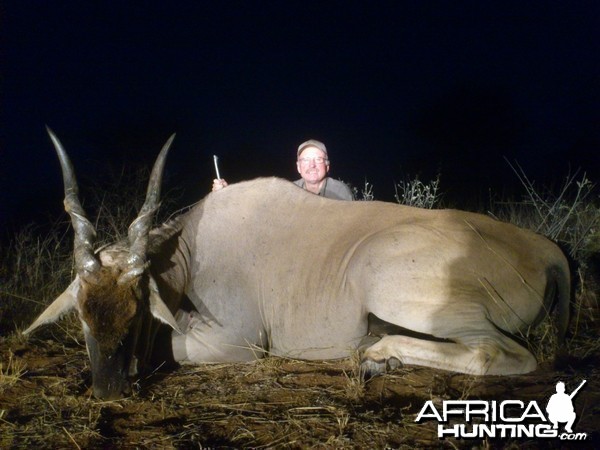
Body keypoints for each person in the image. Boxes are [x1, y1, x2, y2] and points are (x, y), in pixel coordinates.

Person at [212, 139, 354, 201]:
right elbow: (262, 204)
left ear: (327, 166)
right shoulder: (291, 189)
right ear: (298, 167)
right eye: (305, 160)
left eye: (318, 159)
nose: (312, 165)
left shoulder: (340, 192)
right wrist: (228, 192)